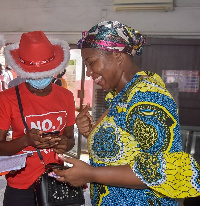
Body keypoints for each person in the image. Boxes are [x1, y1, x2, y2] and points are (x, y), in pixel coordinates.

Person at [54, 21, 200, 206]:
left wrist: (90, 174)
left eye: (92, 63)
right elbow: (127, 147)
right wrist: (92, 132)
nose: (89, 72)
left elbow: (163, 168)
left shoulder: (146, 98)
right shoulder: (123, 96)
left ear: (117, 56)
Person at [0, 30, 76, 206]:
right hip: (21, 185)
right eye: (35, 73)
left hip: (56, 179)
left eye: (45, 72)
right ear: (22, 70)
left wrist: (65, 143)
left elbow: (70, 139)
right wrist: (26, 140)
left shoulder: (66, 97)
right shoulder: (7, 98)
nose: (40, 78)